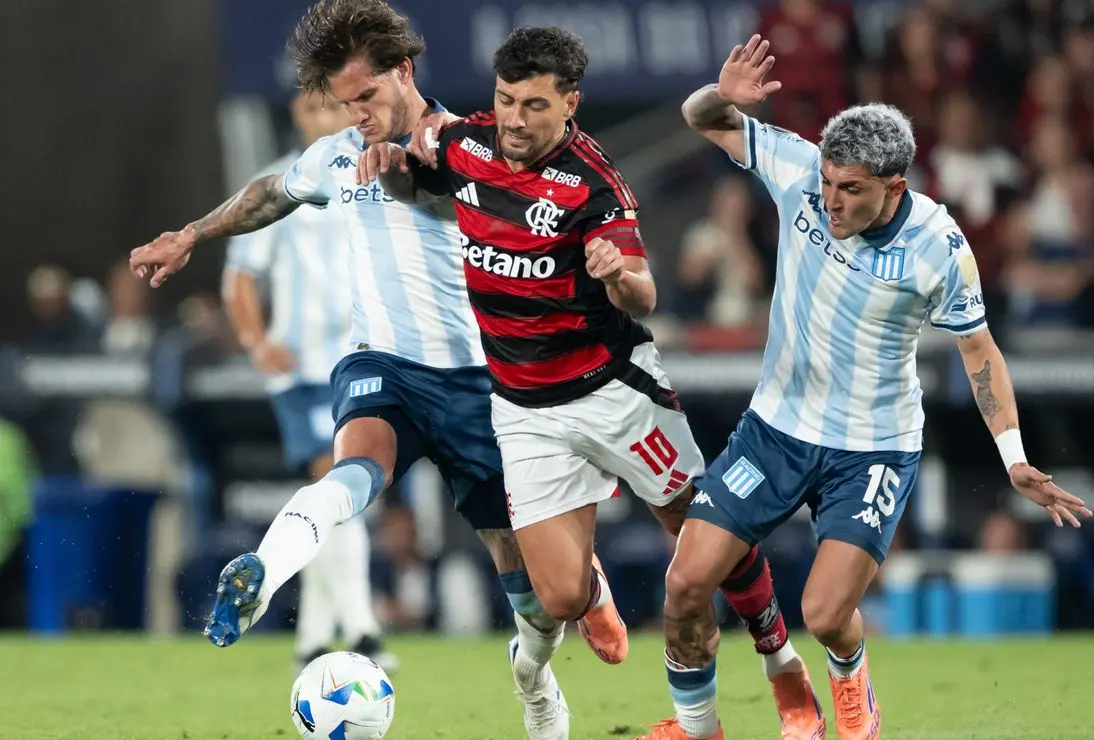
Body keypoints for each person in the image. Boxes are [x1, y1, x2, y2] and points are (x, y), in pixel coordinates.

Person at [127, 3, 616, 734]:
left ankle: (535, 675)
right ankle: (262, 578)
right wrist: (192, 234)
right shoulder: (337, 154)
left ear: (404, 72)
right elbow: (271, 194)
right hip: (384, 365)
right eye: (343, 102)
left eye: (367, 97)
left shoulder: (476, 148)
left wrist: (416, 177)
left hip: (487, 388)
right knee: (351, 473)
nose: (356, 114)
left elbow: (524, 213)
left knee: (543, 600)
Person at [360, 26, 813, 740]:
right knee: (561, 597)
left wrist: (618, 276)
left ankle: (779, 657)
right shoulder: (466, 144)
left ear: (570, 104)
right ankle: (590, 586)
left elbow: (645, 293)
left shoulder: (596, 186)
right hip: (524, 408)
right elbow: (416, 180)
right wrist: (387, 162)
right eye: (507, 100)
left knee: (704, 540)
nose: (514, 119)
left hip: (615, 392)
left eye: (534, 106)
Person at [636, 35, 1094, 740]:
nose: (832, 200)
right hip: (778, 427)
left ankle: (850, 681)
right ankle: (699, 730)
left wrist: (1014, 457)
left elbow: (979, 349)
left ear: (895, 188)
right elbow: (703, 118)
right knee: (686, 582)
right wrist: (723, 92)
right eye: (828, 182)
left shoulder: (938, 247)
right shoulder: (795, 171)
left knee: (824, 614)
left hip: (872, 447)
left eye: (851, 189)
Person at [222, 86, 397, 673]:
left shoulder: (371, 173)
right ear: (295, 113)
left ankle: (313, 640)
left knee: (339, 500)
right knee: (336, 486)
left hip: (361, 358)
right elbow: (240, 277)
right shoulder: (281, 182)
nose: (323, 118)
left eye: (333, 107)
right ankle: (365, 630)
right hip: (302, 370)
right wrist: (256, 342)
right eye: (311, 108)